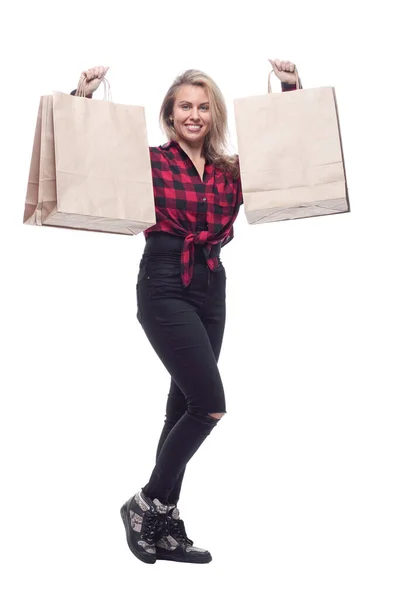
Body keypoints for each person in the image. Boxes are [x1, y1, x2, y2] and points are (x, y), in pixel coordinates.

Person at [70, 59, 302, 565]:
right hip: (163, 280)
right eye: (184, 107)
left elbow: (289, 154)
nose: (193, 114)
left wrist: (289, 90)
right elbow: (86, 153)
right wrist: (82, 96)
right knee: (209, 403)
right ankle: (146, 502)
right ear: (170, 116)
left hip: (212, 281)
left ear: (214, 114)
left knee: (183, 406)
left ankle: (166, 522)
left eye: (202, 106)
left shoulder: (230, 170)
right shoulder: (149, 161)